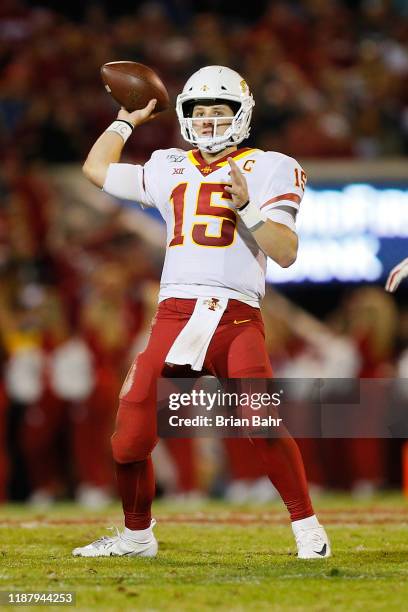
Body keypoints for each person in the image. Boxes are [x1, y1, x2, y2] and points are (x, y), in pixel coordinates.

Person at [72, 65, 330, 559]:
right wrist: (125, 120)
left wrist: (249, 209)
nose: (210, 120)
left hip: (236, 317)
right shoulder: (169, 163)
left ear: (242, 114)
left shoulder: (271, 165)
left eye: (220, 111)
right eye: (200, 111)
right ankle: (136, 536)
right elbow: (97, 170)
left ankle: (308, 530)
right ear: (185, 115)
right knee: (127, 439)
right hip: (174, 314)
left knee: (262, 423)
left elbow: (286, 252)